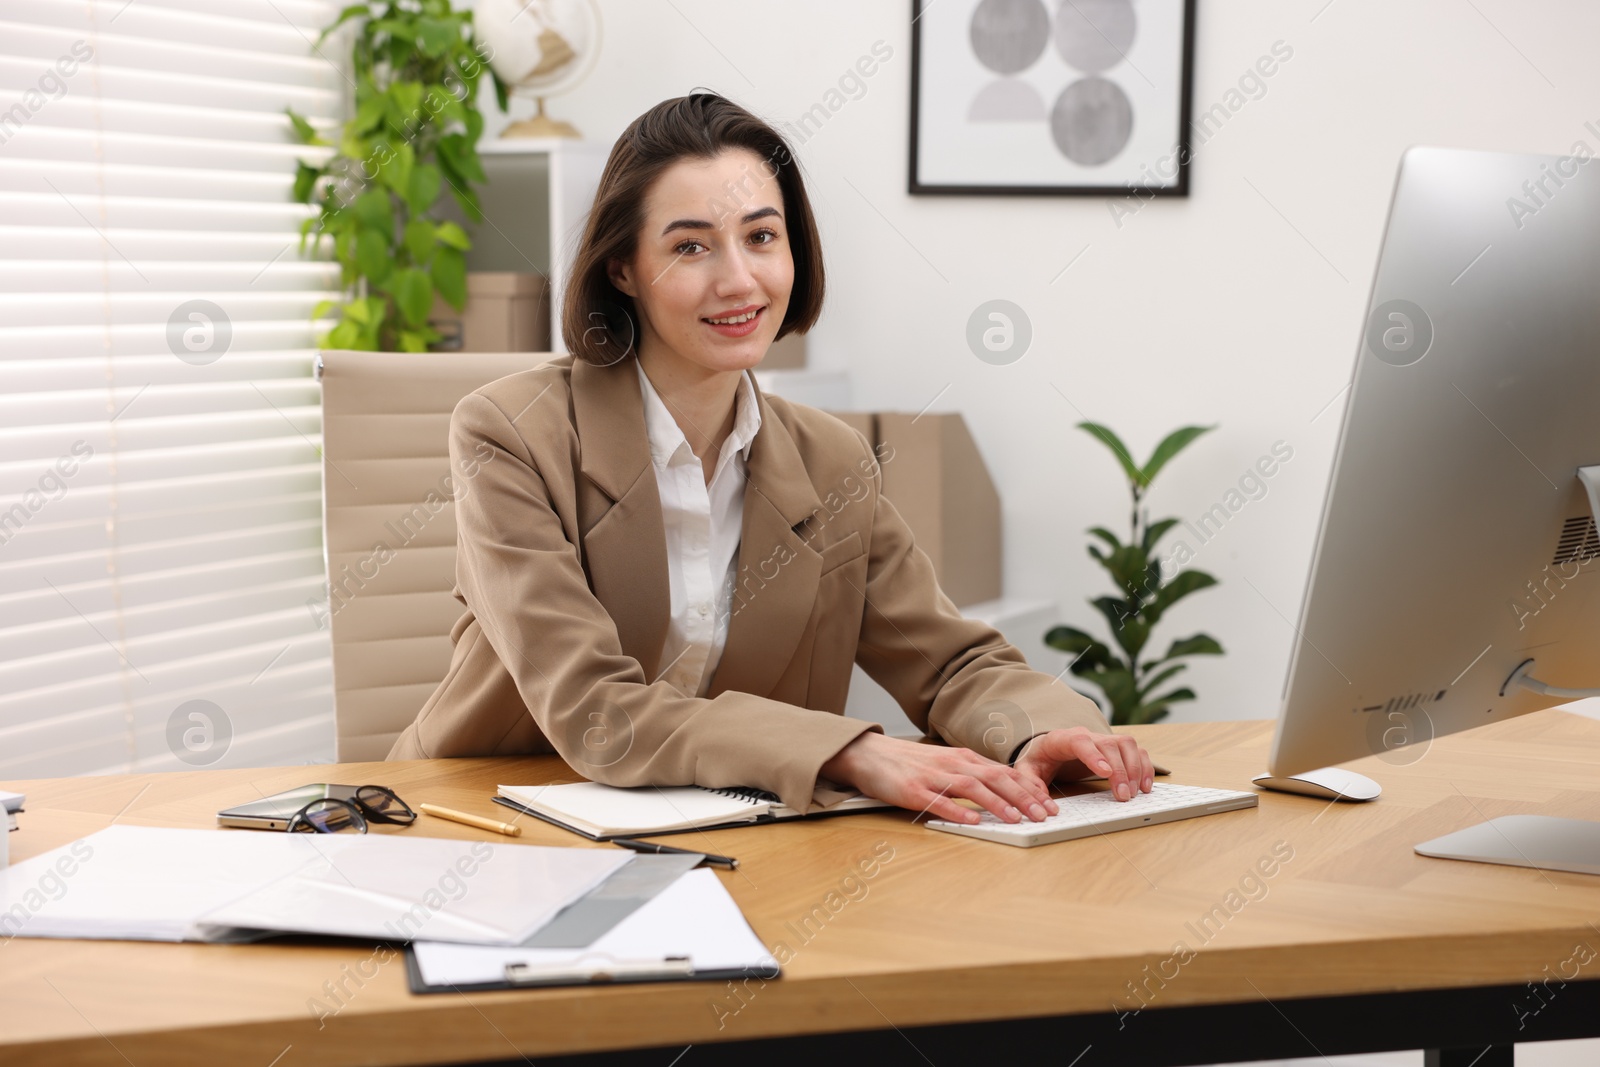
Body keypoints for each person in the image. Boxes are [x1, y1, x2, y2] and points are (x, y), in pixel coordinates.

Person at [387, 91, 1156, 826]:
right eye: (691, 245)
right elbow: (596, 711)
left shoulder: (830, 460)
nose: (740, 279)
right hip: (489, 822)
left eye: (761, 236)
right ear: (623, 268)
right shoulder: (511, 433)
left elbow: (948, 661)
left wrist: (1036, 732)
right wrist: (849, 751)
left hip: (731, 834)